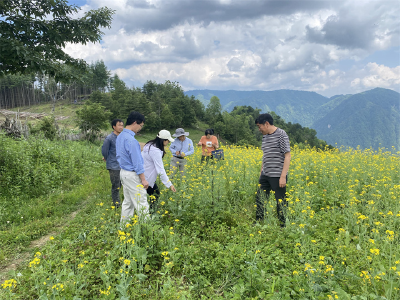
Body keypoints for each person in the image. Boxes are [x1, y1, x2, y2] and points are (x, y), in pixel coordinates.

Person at [255, 113, 291, 228]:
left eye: (259, 126)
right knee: (260, 198)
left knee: (280, 201)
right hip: (265, 174)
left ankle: (283, 226)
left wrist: (283, 176)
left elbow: (287, 156)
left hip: (278, 175)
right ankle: (259, 222)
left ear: (266, 124)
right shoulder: (265, 136)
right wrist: (261, 171)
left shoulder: (281, 134)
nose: (259, 129)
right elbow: (265, 155)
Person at [116, 111, 149, 223]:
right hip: (132, 174)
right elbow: (137, 162)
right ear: (135, 122)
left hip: (123, 172)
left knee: (128, 202)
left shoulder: (121, 136)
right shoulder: (131, 140)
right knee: (141, 202)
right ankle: (147, 229)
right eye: (140, 125)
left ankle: (124, 227)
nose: (140, 128)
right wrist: (143, 179)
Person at [142, 130, 177, 212]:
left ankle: (149, 213)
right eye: (168, 140)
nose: (168, 142)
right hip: (146, 177)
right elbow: (160, 169)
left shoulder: (149, 145)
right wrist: (170, 184)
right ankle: (150, 214)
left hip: (142, 174)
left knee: (153, 193)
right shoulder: (155, 151)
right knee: (154, 194)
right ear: (164, 140)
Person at [101, 119, 124, 207]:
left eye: (122, 125)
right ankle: (116, 204)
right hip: (113, 165)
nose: (121, 127)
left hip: (122, 165)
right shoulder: (109, 138)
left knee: (121, 184)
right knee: (116, 185)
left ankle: (119, 201)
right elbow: (104, 151)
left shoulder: (122, 137)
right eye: (119, 125)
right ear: (114, 126)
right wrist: (106, 158)